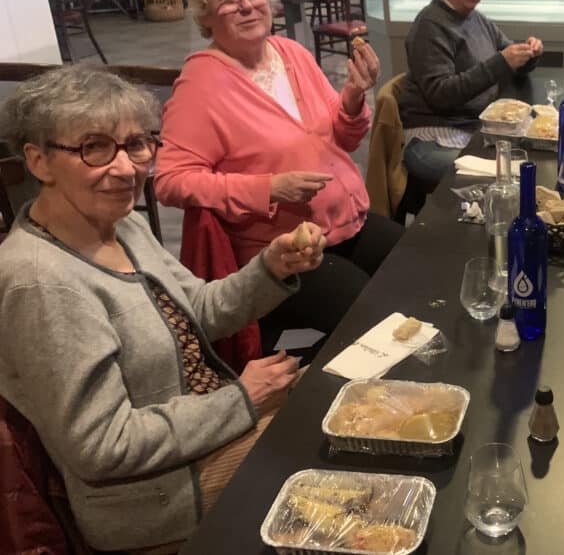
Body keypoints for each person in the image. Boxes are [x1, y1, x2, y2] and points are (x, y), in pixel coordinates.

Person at [0, 65, 325, 551]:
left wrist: (270, 268)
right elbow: (102, 447)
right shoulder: (40, 282)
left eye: (136, 144)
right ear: (39, 161)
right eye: (94, 147)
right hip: (153, 502)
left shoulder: (121, 225)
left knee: (340, 403)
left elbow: (197, 308)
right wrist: (241, 401)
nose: (127, 168)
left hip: (198, 442)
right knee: (326, 446)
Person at [155, 0, 403, 343]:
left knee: (417, 268)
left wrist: (354, 97)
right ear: (206, 15)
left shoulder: (291, 52)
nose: (246, 6)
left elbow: (343, 136)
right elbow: (170, 181)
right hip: (282, 253)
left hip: (345, 222)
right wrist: (268, 187)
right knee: (372, 320)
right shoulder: (200, 85)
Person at [397, 0, 543, 187]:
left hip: (469, 128)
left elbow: (507, 58)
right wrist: (501, 61)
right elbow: (440, 94)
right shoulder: (430, 25)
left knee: (528, 161)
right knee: (506, 177)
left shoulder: (476, 19)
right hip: (432, 137)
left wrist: (529, 54)